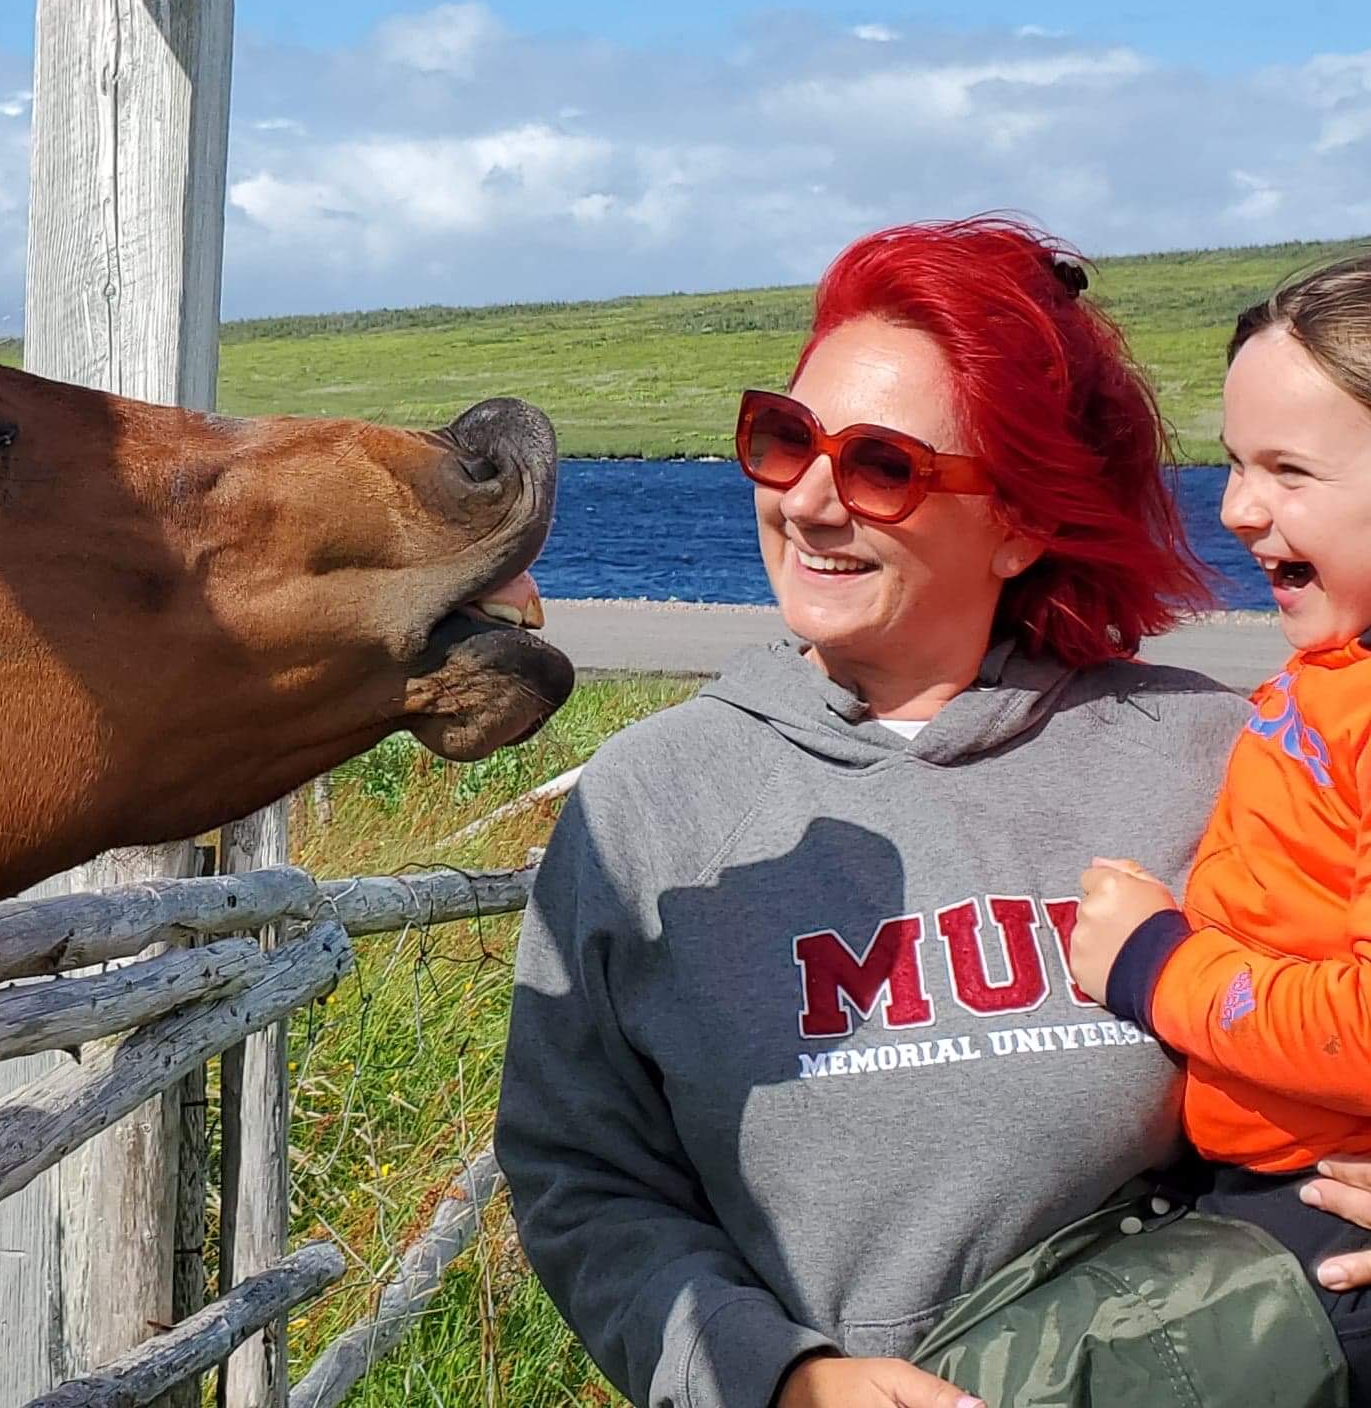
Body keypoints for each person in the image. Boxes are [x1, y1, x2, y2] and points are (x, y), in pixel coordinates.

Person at [495, 215, 1371, 1408]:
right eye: (783, 437)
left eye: (881, 465)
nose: (807, 500)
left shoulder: (1210, 752)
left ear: (1020, 523)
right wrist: (782, 1381)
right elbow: (582, 1178)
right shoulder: (650, 803)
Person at [1068, 249, 1371, 1403]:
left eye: (1290, 469)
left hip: (1323, 1229)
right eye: (1237, 464)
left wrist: (1156, 966)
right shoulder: (1335, 669)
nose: (1239, 507)